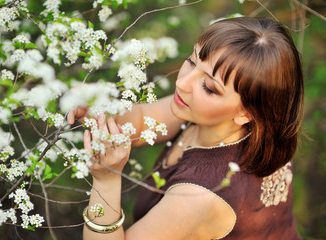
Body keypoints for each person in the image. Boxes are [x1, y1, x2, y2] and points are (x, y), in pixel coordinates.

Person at [67, 17, 304, 240]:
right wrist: (96, 107)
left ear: (246, 114)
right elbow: (140, 120)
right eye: (192, 61)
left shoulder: (199, 196)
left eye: (209, 87)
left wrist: (106, 180)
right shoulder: (214, 115)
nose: (182, 83)